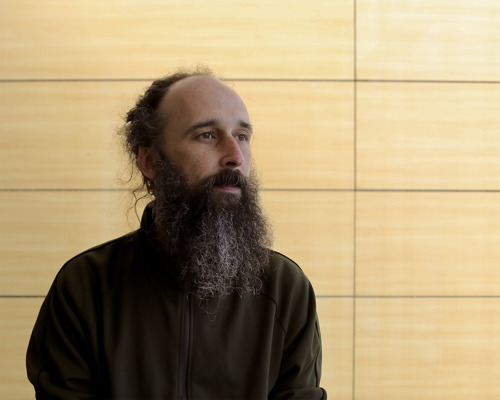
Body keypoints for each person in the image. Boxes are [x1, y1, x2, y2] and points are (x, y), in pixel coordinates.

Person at [26, 68, 326, 399]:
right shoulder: (85, 287)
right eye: (207, 136)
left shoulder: (284, 289)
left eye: (242, 136)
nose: (235, 157)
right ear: (151, 160)